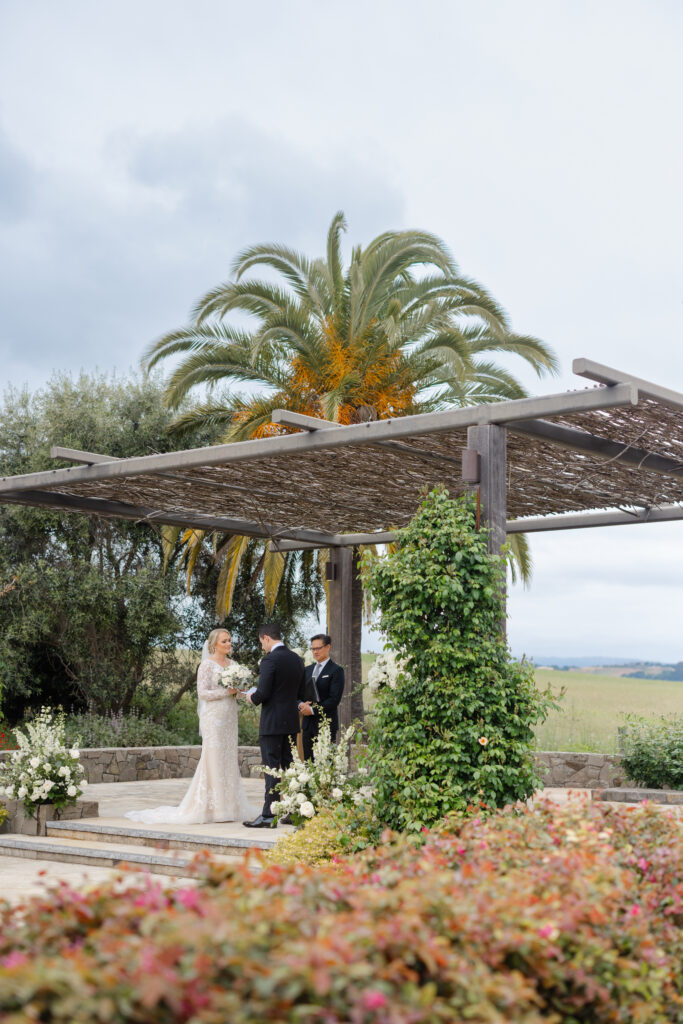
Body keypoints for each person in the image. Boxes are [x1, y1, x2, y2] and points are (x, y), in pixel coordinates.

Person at [125, 629, 255, 825]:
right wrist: (225, 691)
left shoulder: (233, 665)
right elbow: (203, 693)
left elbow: (234, 693)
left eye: (229, 641)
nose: (229, 644)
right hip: (213, 717)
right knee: (213, 757)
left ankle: (230, 805)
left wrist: (240, 692)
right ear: (214, 645)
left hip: (229, 716)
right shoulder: (206, 665)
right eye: (224, 641)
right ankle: (214, 808)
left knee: (228, 757)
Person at [242, 622, 306, 828]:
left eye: (262, 642)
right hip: (291, 722)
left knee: (271, 768)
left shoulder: (270, 659)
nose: (262, 647)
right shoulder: (297, 659)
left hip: (272, 723)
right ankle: (294, 811)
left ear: (267, 638)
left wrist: (251, 697)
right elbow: (300, 693)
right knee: (290, 768)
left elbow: (263, 694)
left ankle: (269, 815)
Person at [299, 633, 345, 761]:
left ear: (328, 647)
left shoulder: (336, 671)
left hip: (326, 725)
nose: (315, 652)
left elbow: (334, 699)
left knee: (326, 766)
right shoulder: (307, 670)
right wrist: (301, 705)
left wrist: (312, 710)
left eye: (318, 648)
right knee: (309, 764)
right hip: (307, 725)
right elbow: (298, 694)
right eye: (313, 649)